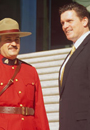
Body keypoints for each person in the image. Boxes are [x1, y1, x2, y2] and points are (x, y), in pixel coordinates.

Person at [0, 18, 50, 130]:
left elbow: (39, 109)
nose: (14, 43)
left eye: (17, 39)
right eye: (8, 39)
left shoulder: (30, 71)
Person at [59, 2, 90, 130]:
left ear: (84, 21)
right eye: (62, 23)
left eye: (69, 21)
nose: (65, 26)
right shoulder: (73, 52)